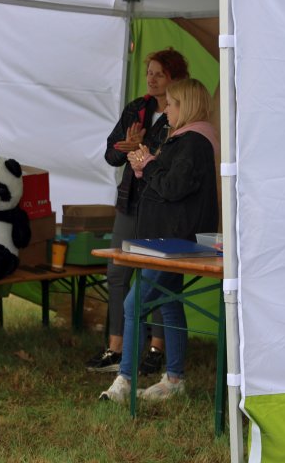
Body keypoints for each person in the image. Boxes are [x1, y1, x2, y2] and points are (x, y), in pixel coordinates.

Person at [100, 78, 219, 403]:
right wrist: (144, 168)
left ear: (186, 106)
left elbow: (172, 188)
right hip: (169, 239)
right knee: (168, 303)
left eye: (171, 104)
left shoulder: (193, 142)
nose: (165, 111)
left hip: (175, 242)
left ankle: (125, 380)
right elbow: (169, 183)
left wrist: (149, 165)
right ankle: (174, 379)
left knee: (134, 304)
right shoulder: (185, 140)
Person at [85, 47, 189, 375]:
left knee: (156, 276)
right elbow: (111, 154)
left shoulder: (180, 113)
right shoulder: (136, 108)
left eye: (160, 74)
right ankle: (116, 347)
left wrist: (140, 149)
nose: (152, 79)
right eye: (149, 73)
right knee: (117, 273)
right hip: (130, 201)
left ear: (175, 78)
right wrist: (126, 148)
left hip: (161, 207)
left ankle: (157, 348)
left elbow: (171, 160)